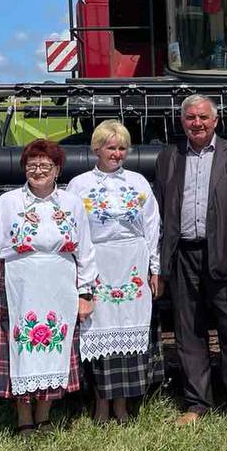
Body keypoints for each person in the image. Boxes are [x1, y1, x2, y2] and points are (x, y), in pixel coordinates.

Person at [0, 140, 96, 434]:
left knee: (54, 345)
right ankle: (23, 418)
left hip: (60, 287)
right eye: (32, 165)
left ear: (57, 170)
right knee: (21, 348)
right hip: (19, 285)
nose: (38, 171)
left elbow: (86, 251)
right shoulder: (7, 203)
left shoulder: (71, 203)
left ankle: (44, 416)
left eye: (45, 165)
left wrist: (85, 292)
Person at [154, 94, 227, 425]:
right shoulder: (168, 157)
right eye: (190, 117)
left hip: (225, 254)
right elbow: (161, 209)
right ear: (181, 121)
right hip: (182, 254)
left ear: (216, 120)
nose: (197, 123)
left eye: (203, 117)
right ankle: (196, 403)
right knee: (188, 330)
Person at [68, 119, 163, 424]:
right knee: (97, 329)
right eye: (111, 147)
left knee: (130, 330)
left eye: (122, 148)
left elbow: (152, 227)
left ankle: (122, 404)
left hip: (132, 261)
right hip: (97, 262)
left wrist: (155, 268)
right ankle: (100, 404)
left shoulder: (138, 182)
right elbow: (74, 230)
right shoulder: (79, 185)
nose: (117, 153)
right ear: (97, 148)